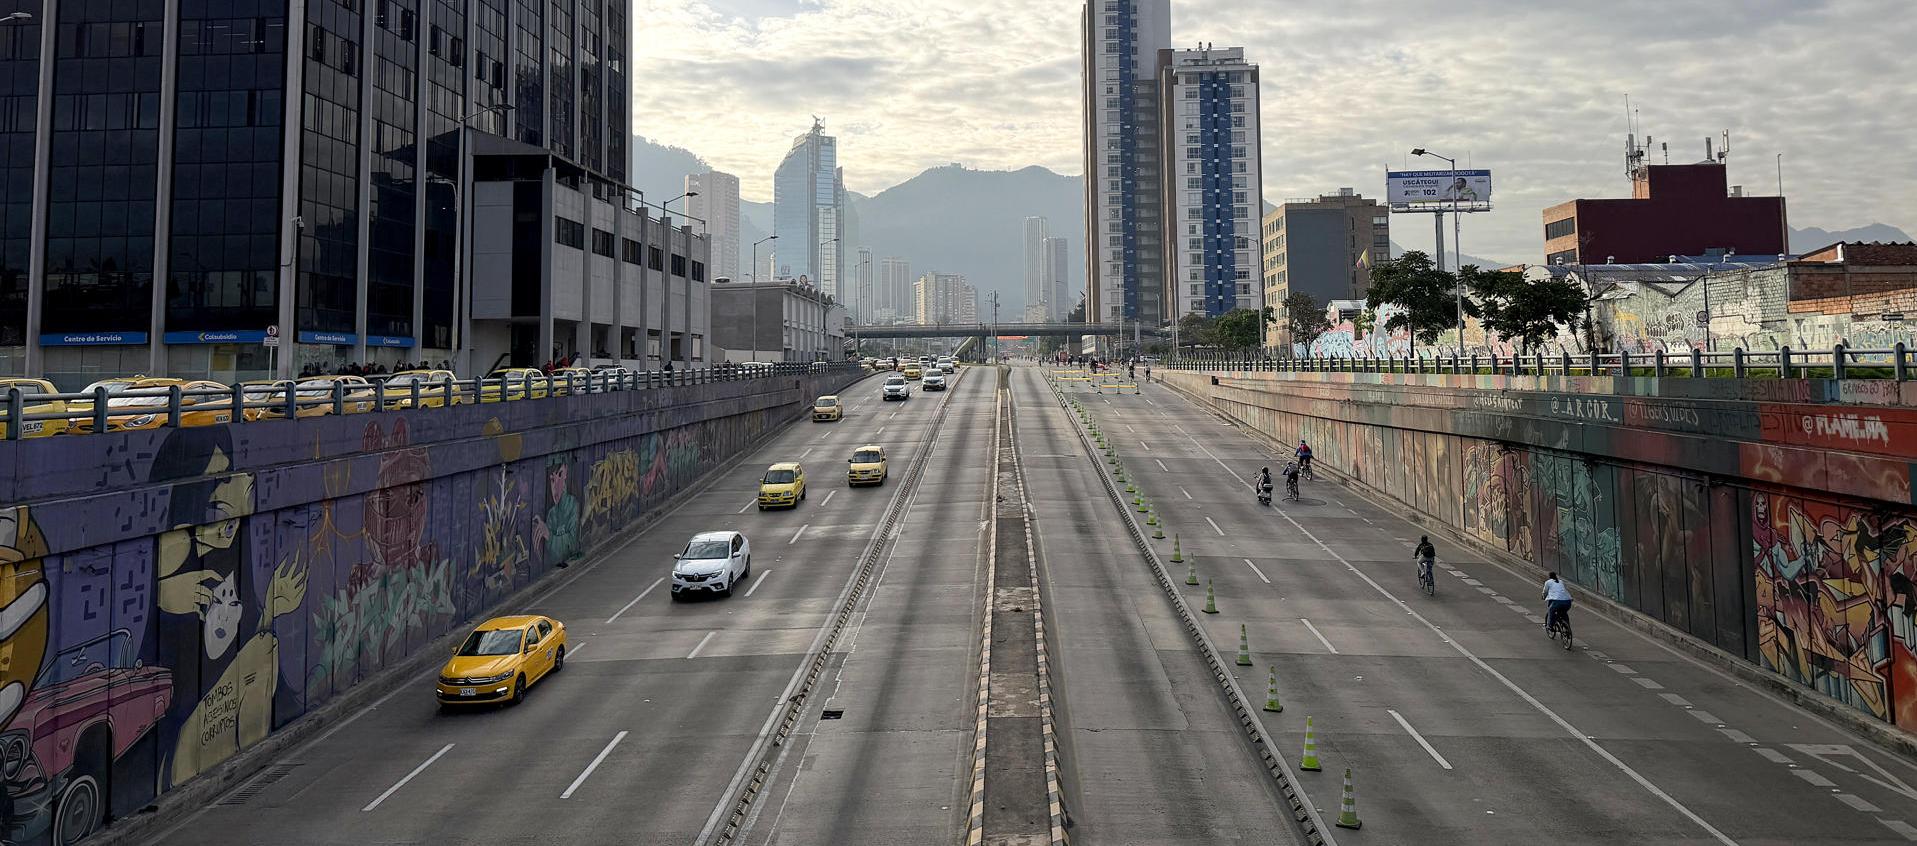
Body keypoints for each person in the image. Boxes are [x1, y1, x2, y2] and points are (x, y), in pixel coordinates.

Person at [1542, 572, 1574, 640]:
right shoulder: (1561, 581)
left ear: (1549, 576)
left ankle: (1550, 626)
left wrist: (1543, 597)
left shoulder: (1548, 582)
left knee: (1551, 610)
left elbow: (1545, 592)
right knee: (1564, 613)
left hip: (1557, 601)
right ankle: (1567, 629)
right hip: (1567, 601)